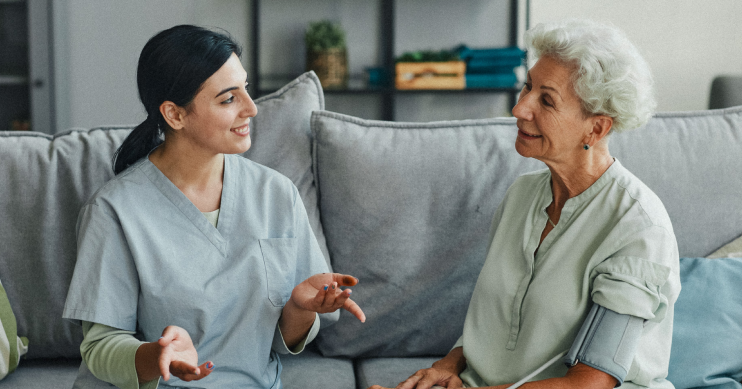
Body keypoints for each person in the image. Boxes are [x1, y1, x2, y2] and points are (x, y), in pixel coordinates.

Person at [370, 19, 680, 389]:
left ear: (595, 129)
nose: (520, 108)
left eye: (546, 100)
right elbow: (494, 328)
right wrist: (449, 365)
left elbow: (589, 383)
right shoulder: (522, 195)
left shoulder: (639, 227)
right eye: (527, 87)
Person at [63, 25, 365, 388]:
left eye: (246, 89)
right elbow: (100, 348)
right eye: (228, 99)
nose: (252, 109)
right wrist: (160, 357)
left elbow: (276, 341)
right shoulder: (114, 211)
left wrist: (300, 309)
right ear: (174, 115)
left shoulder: (277, 194)